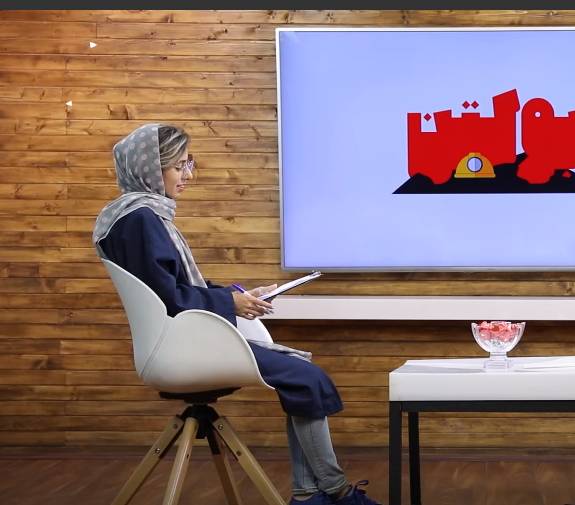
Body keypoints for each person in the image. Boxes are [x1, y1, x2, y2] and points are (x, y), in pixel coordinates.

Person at [93, 123, 380, 505]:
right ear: (149, 169)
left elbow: (174, 287)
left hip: (186, 340)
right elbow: (171, 299)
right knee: (306, 377)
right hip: (185, 348)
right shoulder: (142, 219)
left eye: (189, 163)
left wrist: (238, 295)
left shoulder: (132, 217)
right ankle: (334, 492)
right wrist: (230, 303)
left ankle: (311, 494)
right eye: (179, 166)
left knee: (301, 376)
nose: (188, 175)